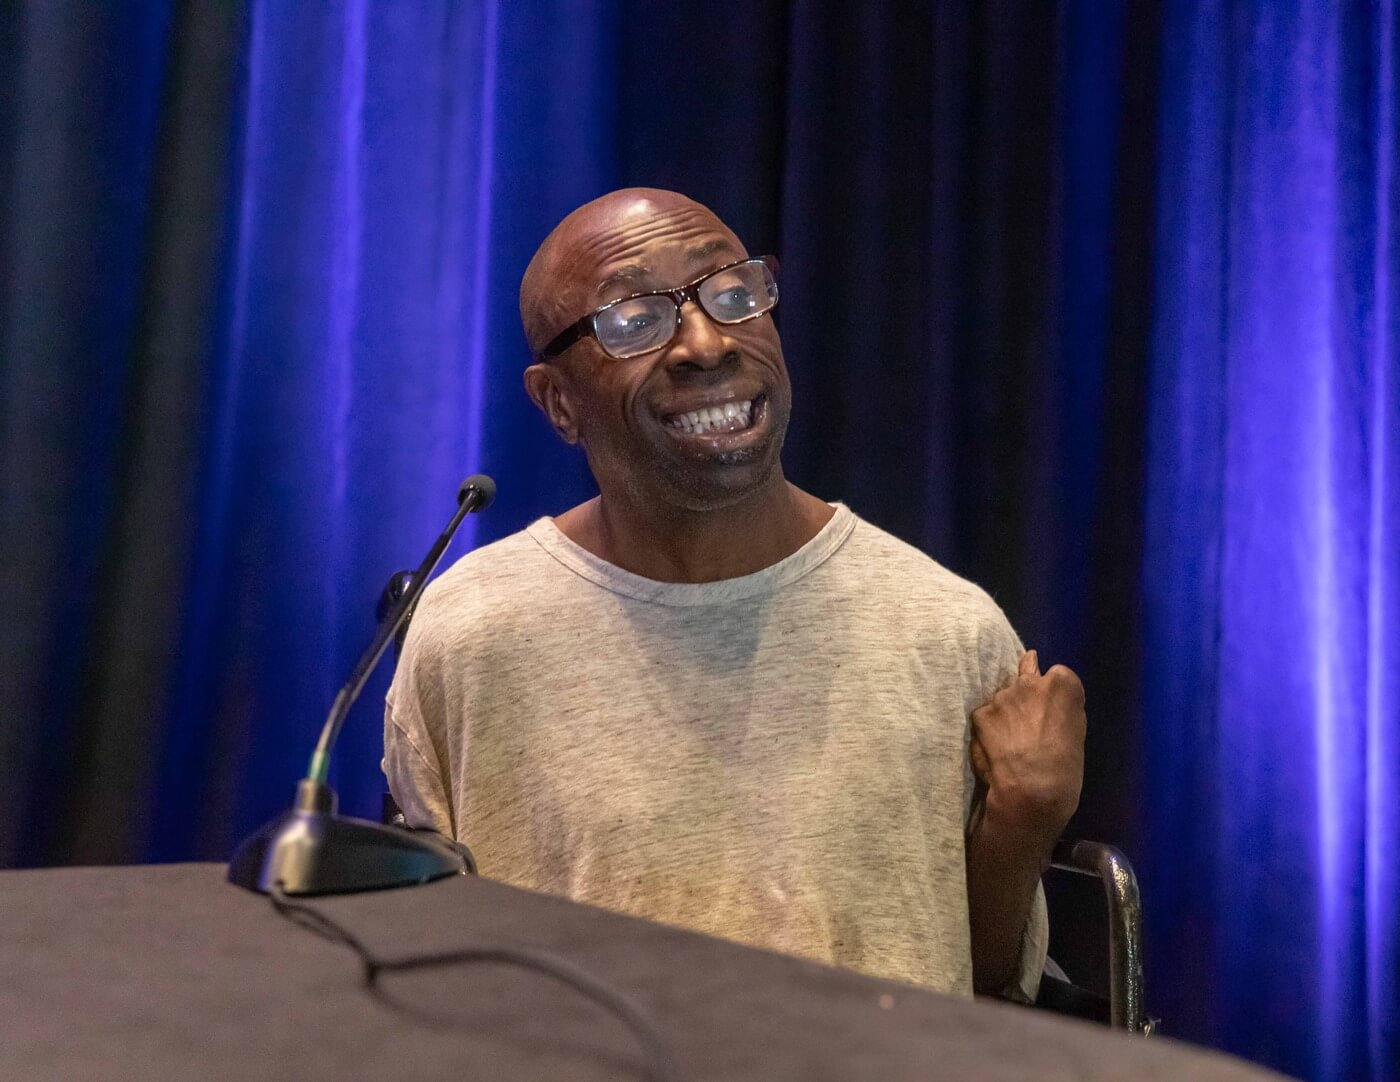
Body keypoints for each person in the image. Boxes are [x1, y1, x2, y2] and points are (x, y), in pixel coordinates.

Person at [383, 188, 1086, 1002]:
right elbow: (426, 972)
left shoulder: (947, 631)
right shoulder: (472, 632)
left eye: (733, 292)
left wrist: (1023, 822)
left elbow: (984, 990)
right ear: (557, 402)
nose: (706, 342)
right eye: (634, 320)